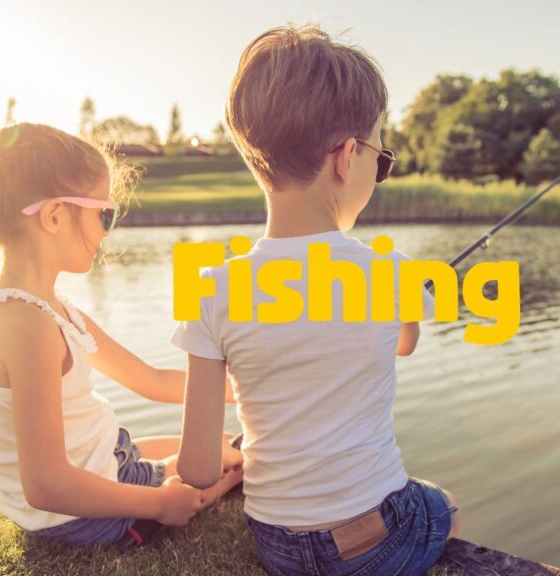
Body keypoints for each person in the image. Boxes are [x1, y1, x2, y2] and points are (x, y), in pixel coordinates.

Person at [172, 24, 459, 576]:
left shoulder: (207, 286)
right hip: (376, 536)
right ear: (348, 156)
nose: (380, 168)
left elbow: (199, 469)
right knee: (440, 504)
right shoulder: (391, 272)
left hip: (276, 542)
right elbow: (404, 345)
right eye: (383, 155)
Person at [0, 123, 243, 547]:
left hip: (103, 463)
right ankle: (202, 485)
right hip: (79, 515)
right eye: (103, 215)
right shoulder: (27, 325)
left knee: (217, 444)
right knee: (237, 458)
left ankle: (183, 468)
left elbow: (152, 381)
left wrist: (247, 388)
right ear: (54, 215)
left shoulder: (49, 310)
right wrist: (160, 505)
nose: (107, 233)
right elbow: (47, 485)